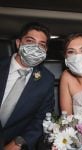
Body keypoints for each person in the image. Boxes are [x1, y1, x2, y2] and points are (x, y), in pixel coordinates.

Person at [0, 22, 55, 150]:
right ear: (18, 43)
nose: (36, 47)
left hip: (13, 142)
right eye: (30, 41)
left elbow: (42, 118)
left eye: (41, 44)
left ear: (45, 50)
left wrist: (18, 142)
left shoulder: (46, 79)